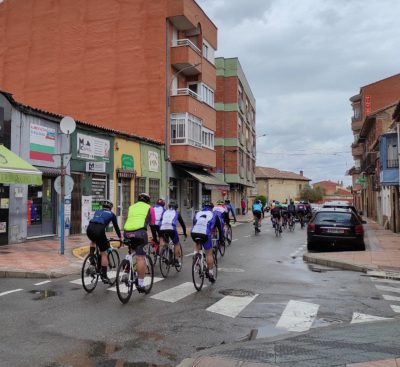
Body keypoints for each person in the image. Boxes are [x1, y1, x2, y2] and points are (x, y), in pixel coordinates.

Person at [123, 193, 155, 293]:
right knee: (140, 257)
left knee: (132, 250)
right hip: (140, 233)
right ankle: (140, 284)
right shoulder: (150, 208)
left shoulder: (131, 207)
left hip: (127, 232)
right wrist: (155, 238)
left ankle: (126, 266)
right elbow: (153, 225)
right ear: (148, 201)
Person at [86, 200, 121, 283]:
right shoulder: (111, 214)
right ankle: (104, 275)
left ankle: (92, 259)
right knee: (104, 253)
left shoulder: (97, 211)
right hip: (99, 230)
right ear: (110, 207)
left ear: (103, 207)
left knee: (93, 241)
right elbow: (116, 227)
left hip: (90, 229)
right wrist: (120, 238)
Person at [191, 202, 217, 283]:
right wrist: (221, 238)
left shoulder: (198, 213)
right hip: (205, 233)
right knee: (209, 253)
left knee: (197, 241)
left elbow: (194, 223)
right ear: (211, 208)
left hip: (194, 232)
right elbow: (219, 227)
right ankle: (210, 273)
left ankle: (195, 255)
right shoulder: (213, 214)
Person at [159, 201, 187, 267]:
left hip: (162, 228)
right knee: (176, 244)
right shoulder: (177, 213)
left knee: (166, 242)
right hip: (171, 229)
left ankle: (163, 254)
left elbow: (160, 221)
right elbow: (182, 224)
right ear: (176, 208)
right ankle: (176, 260)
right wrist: (184, 233)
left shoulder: (164, 212)